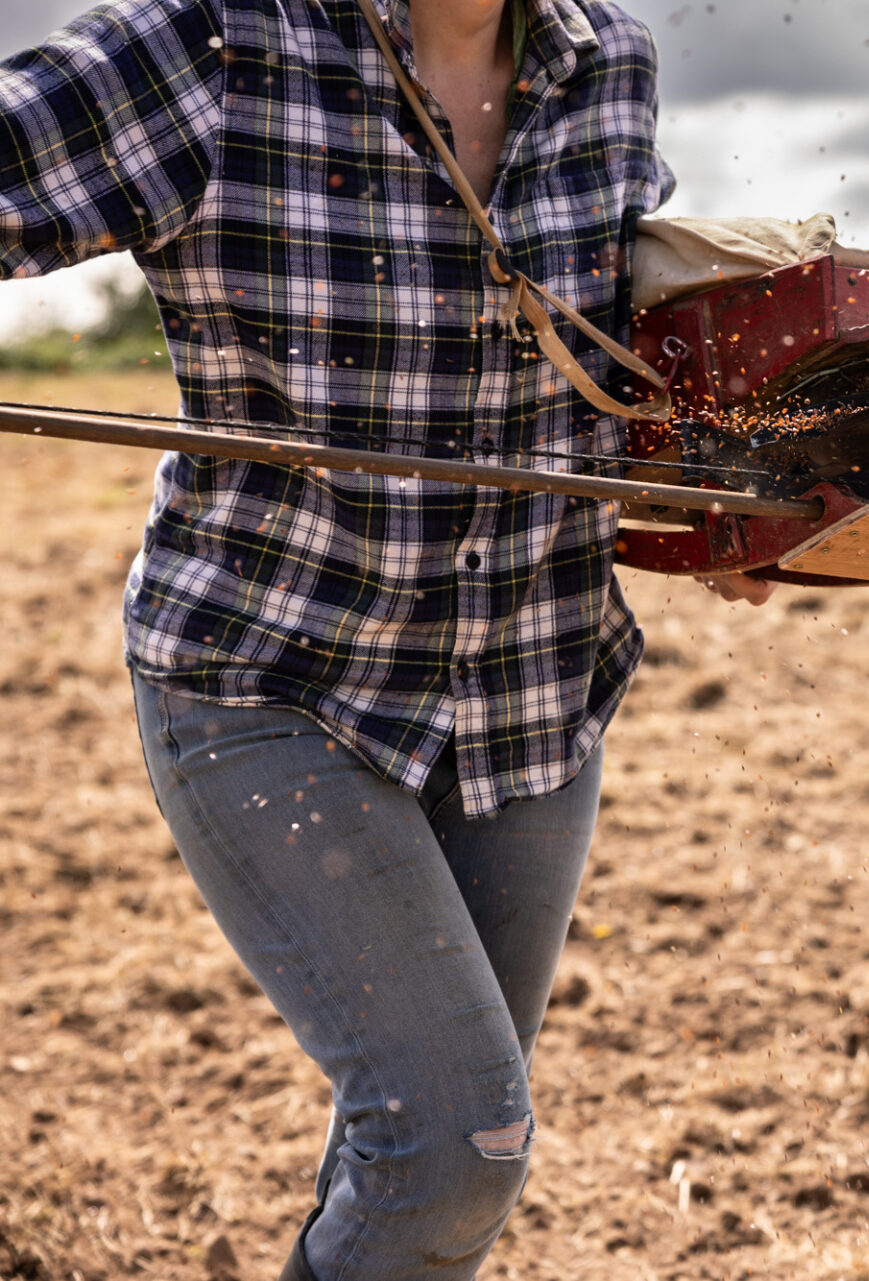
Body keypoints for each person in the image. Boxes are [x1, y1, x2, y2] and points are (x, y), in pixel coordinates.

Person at [0, 0, 791, 1275]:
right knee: (453, 1149)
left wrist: (722, 508)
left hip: (532, 694)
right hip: (273, 682)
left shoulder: (609, 63)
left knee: (430, 1186)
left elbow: (617, 353)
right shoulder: (215, 43)